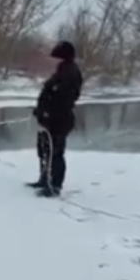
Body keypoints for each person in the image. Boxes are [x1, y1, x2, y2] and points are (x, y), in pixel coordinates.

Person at [28, 40, 83, 197]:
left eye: (55, 57)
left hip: (59, 120)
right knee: (44, 149)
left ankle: (55, 186)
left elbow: (64, 99)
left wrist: (47, 112)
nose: (53, 61)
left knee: (56, 152)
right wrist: (40, 110)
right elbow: (49, 94)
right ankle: (44, 179)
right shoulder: (62, 70)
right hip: (48, 120)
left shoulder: (70, 73)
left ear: (63, 57)